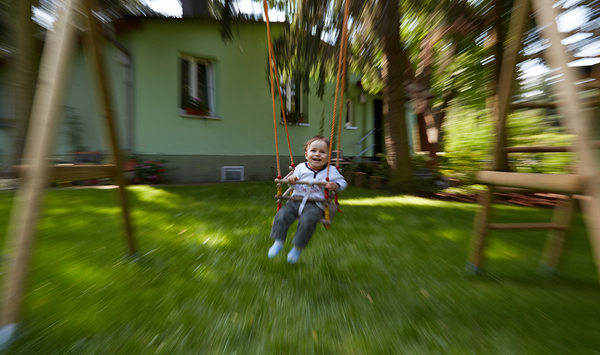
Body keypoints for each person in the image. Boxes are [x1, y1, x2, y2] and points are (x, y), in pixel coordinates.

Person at [268, 135, 348, 264]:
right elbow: (293, 183)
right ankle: (278, 242)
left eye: (322, 152)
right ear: (306, 154)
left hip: (316, 204)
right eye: (313, 151)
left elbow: (342, 183)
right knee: (281, 215)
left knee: (307, 221)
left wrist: (336, 186)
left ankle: (297, 248)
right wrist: (292, 180)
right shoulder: (301, 167)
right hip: (296, 200)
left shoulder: (331, 171)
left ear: (328, 156)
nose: (317, 154)